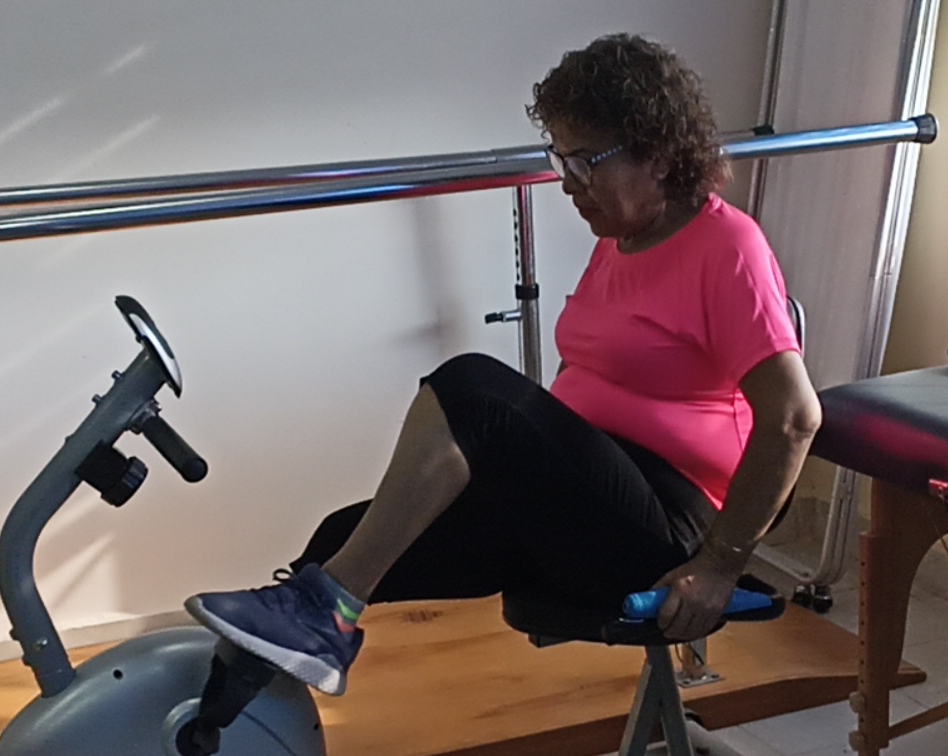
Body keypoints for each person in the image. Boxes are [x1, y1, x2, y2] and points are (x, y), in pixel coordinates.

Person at [187, 33, 821, 695]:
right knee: (341, 538)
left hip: (667, 532)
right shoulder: (622, 240)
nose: (568, 184)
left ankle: (324, 614)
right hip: (586, 508)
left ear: (657, 156)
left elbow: (793, 419)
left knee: (474, 390)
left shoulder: (727, 247)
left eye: (587, 163)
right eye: (561, 160)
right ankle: (224, 723)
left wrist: (719, 564)